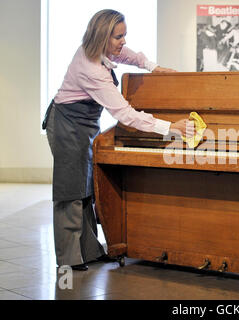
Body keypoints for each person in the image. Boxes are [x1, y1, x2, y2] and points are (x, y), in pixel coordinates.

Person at [42, 9, 194, 271]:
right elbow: (125, 114)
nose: (123, 41)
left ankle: (88, 252)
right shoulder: (90, 68)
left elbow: (130, 55)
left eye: (124, 35)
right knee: (71, 192)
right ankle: (68, 260)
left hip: (85, 125)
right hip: (66, 124)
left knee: (86, 188)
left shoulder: (105, 51)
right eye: (118, 37)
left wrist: (154, 68)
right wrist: (171, 127)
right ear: (103, 37)